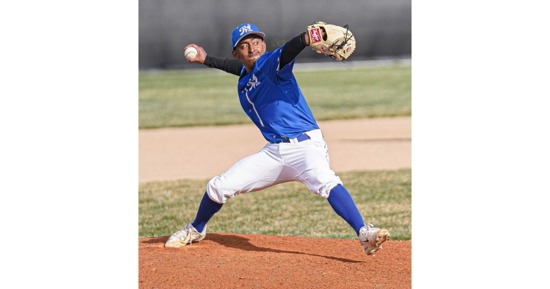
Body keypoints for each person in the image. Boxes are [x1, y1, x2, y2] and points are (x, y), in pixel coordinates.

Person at [164, 23, 390, 255]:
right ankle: (196, 228)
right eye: (244, 45)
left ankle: (364, 233)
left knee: (327, 181)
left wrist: (307, 37)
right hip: (275, 152)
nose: (252, 48)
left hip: (306, 148)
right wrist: (206, 59)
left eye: (256, 42)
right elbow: (239, 68)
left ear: (263, 43)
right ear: (237, 53)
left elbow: (289, 49)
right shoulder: (245, 72)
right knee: (218, 186)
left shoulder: (272, 62)